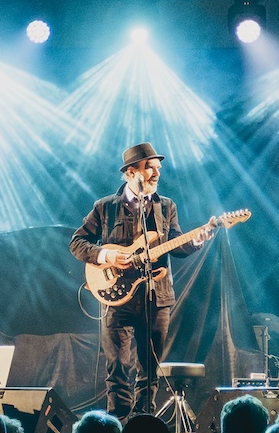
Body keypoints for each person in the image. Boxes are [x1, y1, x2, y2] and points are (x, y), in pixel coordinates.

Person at [70, 142, 216, 416]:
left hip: (156, 296)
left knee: (150, 369)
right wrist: (107, 256)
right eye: (149, 167)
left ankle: (144, 423)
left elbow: (176, 245)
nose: (156, 173)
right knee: (117, 368)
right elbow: (77, 242)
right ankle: (118, 424)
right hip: (116, 299)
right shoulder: (105, 207)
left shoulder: (166, 206)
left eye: (158, 167)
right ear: (130, 172)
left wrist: (197, 240)